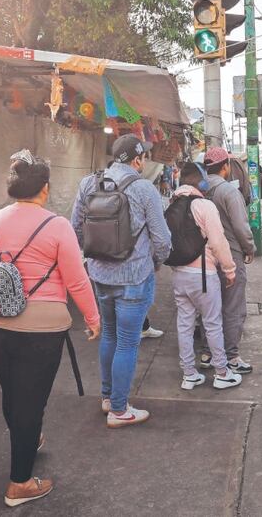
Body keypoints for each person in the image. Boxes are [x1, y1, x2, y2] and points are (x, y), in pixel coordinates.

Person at [0, 151, 101, 507]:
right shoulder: (56, 225)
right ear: (44, 188)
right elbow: (76, 279)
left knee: (13, 393)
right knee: (31, 399)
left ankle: (27, 440)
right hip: (42, 330)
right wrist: (92, 317)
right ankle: (20, 483)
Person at [72, 134, 171, 428]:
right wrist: (155, 261)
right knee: (128, 342)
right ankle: (119, 409)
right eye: (144, 157)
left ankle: (107, 398)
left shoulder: (88, 183)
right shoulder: (144, 189)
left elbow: (75, 227)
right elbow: (162, 240)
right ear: (137, 160)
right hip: (134, 277)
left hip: (100, 275)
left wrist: (94, 256)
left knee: (110, 336)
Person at [169, 163, 243, 390]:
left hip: (179, 274)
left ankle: (189, 374)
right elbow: (218, 242)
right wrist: (229, 270)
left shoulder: (172, 205)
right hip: (203, 275)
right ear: (200, 182)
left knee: (184, 325)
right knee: (212, 323)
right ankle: (222, 372)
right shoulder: (204, 206)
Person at [202, 147, 258, 375]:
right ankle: (232, 357)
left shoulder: (198, 189)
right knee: (233, 307)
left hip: (203, 257)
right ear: (225, 167)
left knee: (208, 307)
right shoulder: (228, 192)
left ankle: (207, 353)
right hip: (230, 255)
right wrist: (250, 248)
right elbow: (241, 227)